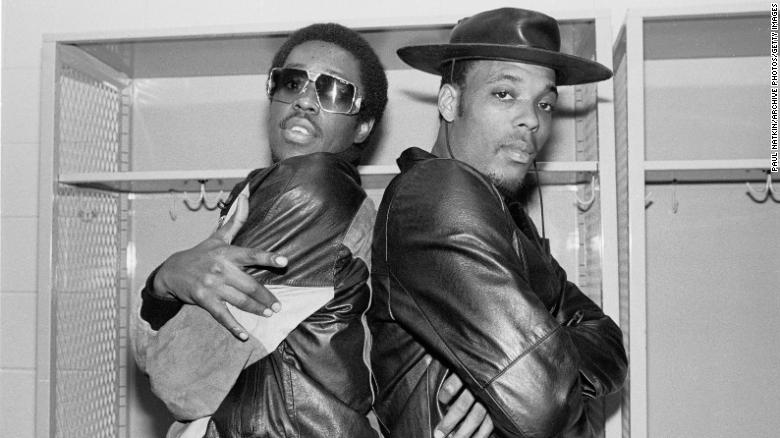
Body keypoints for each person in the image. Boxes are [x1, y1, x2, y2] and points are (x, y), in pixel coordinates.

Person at [133, 23, 493, 438]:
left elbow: (180, 380)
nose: (304, 99)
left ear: (362, 126)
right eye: (292, 81)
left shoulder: (312, 190)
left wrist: (159, 284)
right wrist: (167, 281)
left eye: (333, 90)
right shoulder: (282, 195)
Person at [368, 8, 629, 438]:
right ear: (450, 101)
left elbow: (609, 342)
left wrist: (501, 380)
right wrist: (522, 376)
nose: (532, 118)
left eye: (544, 102)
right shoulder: (438, 192)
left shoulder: (509, 218)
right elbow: (543, 404)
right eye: (505, 93)